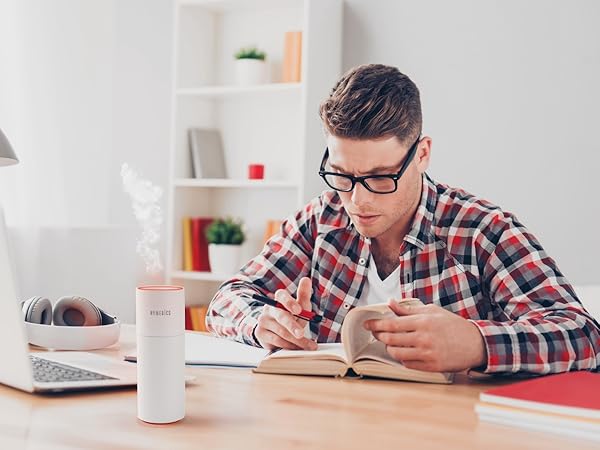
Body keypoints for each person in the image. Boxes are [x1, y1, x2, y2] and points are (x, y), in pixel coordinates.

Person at [206, 64, 600, 374]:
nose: (356, 200)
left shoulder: (482, 230)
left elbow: (584, 336)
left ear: (422, 154)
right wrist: (262, 323)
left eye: (379, 177)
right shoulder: (319, 220)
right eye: (342, 175)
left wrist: (476, 343)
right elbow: (226, 300)